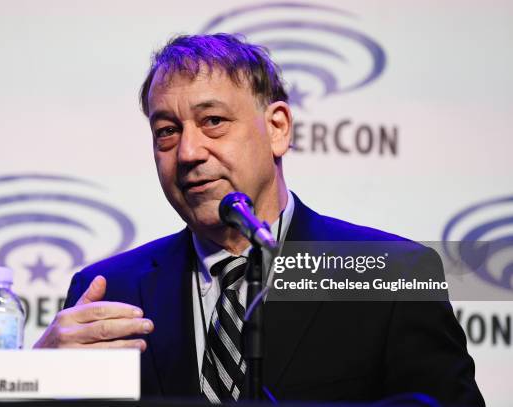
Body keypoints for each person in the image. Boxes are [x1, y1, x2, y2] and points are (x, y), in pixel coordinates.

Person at [35, 34, 484, 405]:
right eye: (166, 132)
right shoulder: (108, 292)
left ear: (278, 128)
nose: (188, 153)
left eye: (212, 121)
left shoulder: (390, 274)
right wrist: (36, 380)